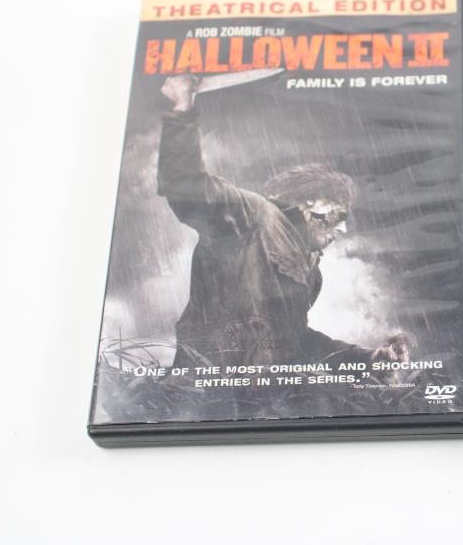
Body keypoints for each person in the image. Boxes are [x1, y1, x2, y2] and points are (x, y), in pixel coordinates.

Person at [157, 74, 407, 372]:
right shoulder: (253, 213)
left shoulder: (311, 273)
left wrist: (364, 358)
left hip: (265, 393)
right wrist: (183, 108)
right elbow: (184, 185)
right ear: (314, 202)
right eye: (339, 216)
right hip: (209, 387)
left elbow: (295, 343)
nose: (343, 229)